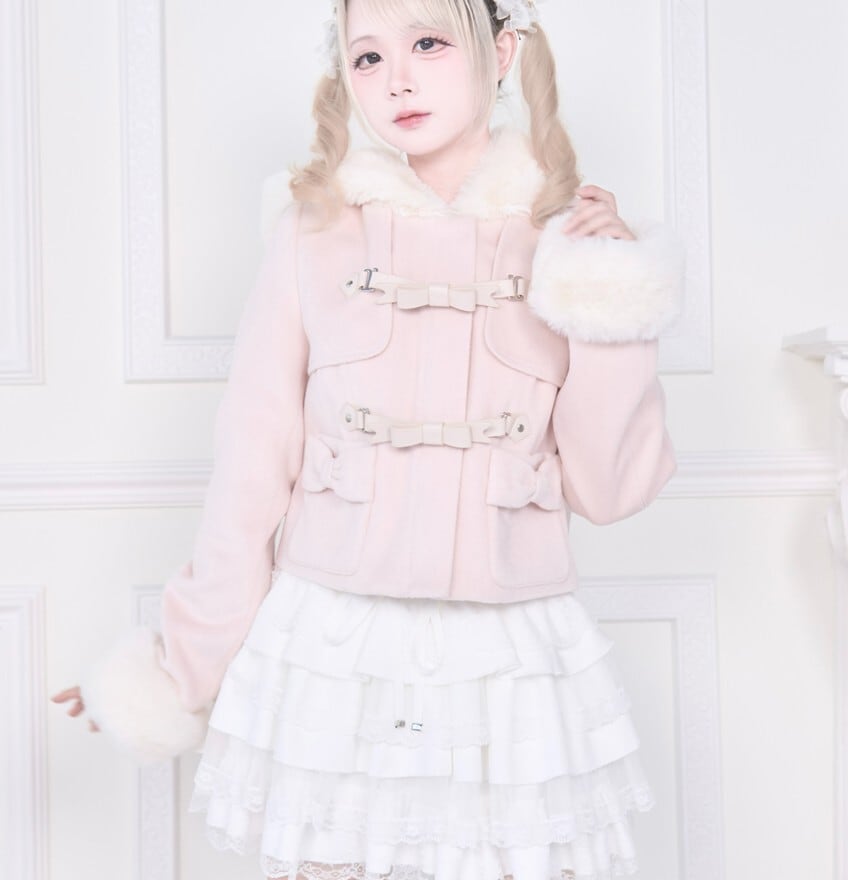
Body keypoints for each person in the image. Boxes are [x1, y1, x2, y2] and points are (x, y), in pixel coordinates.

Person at [52, 0, 686, 877]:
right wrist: (175, 671)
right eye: (368, 57)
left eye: (428, 42)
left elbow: (610, 492)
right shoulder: (313, 231)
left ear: (501, 50)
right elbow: (250, 474)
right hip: (334, 652)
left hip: (506, 665)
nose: (398, 80)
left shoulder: (564, 236)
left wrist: (611, 289)